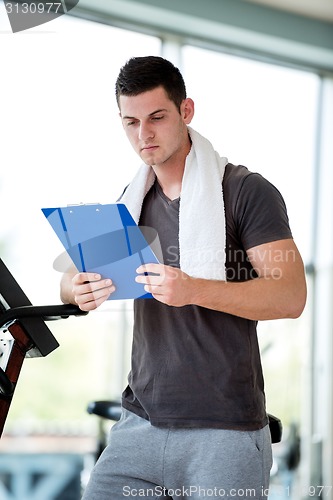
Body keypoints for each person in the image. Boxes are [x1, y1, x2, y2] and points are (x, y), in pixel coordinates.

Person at [60, 56, 307, 499]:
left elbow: (290, 296)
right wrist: (75, 288)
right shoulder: (129, 201)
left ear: (186, 111)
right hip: (137, 425)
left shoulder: (247, 192)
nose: (143, 135)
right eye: (130, 122)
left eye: (157, 117)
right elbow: (76, 278)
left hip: (224, 431)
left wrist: (193, 289)